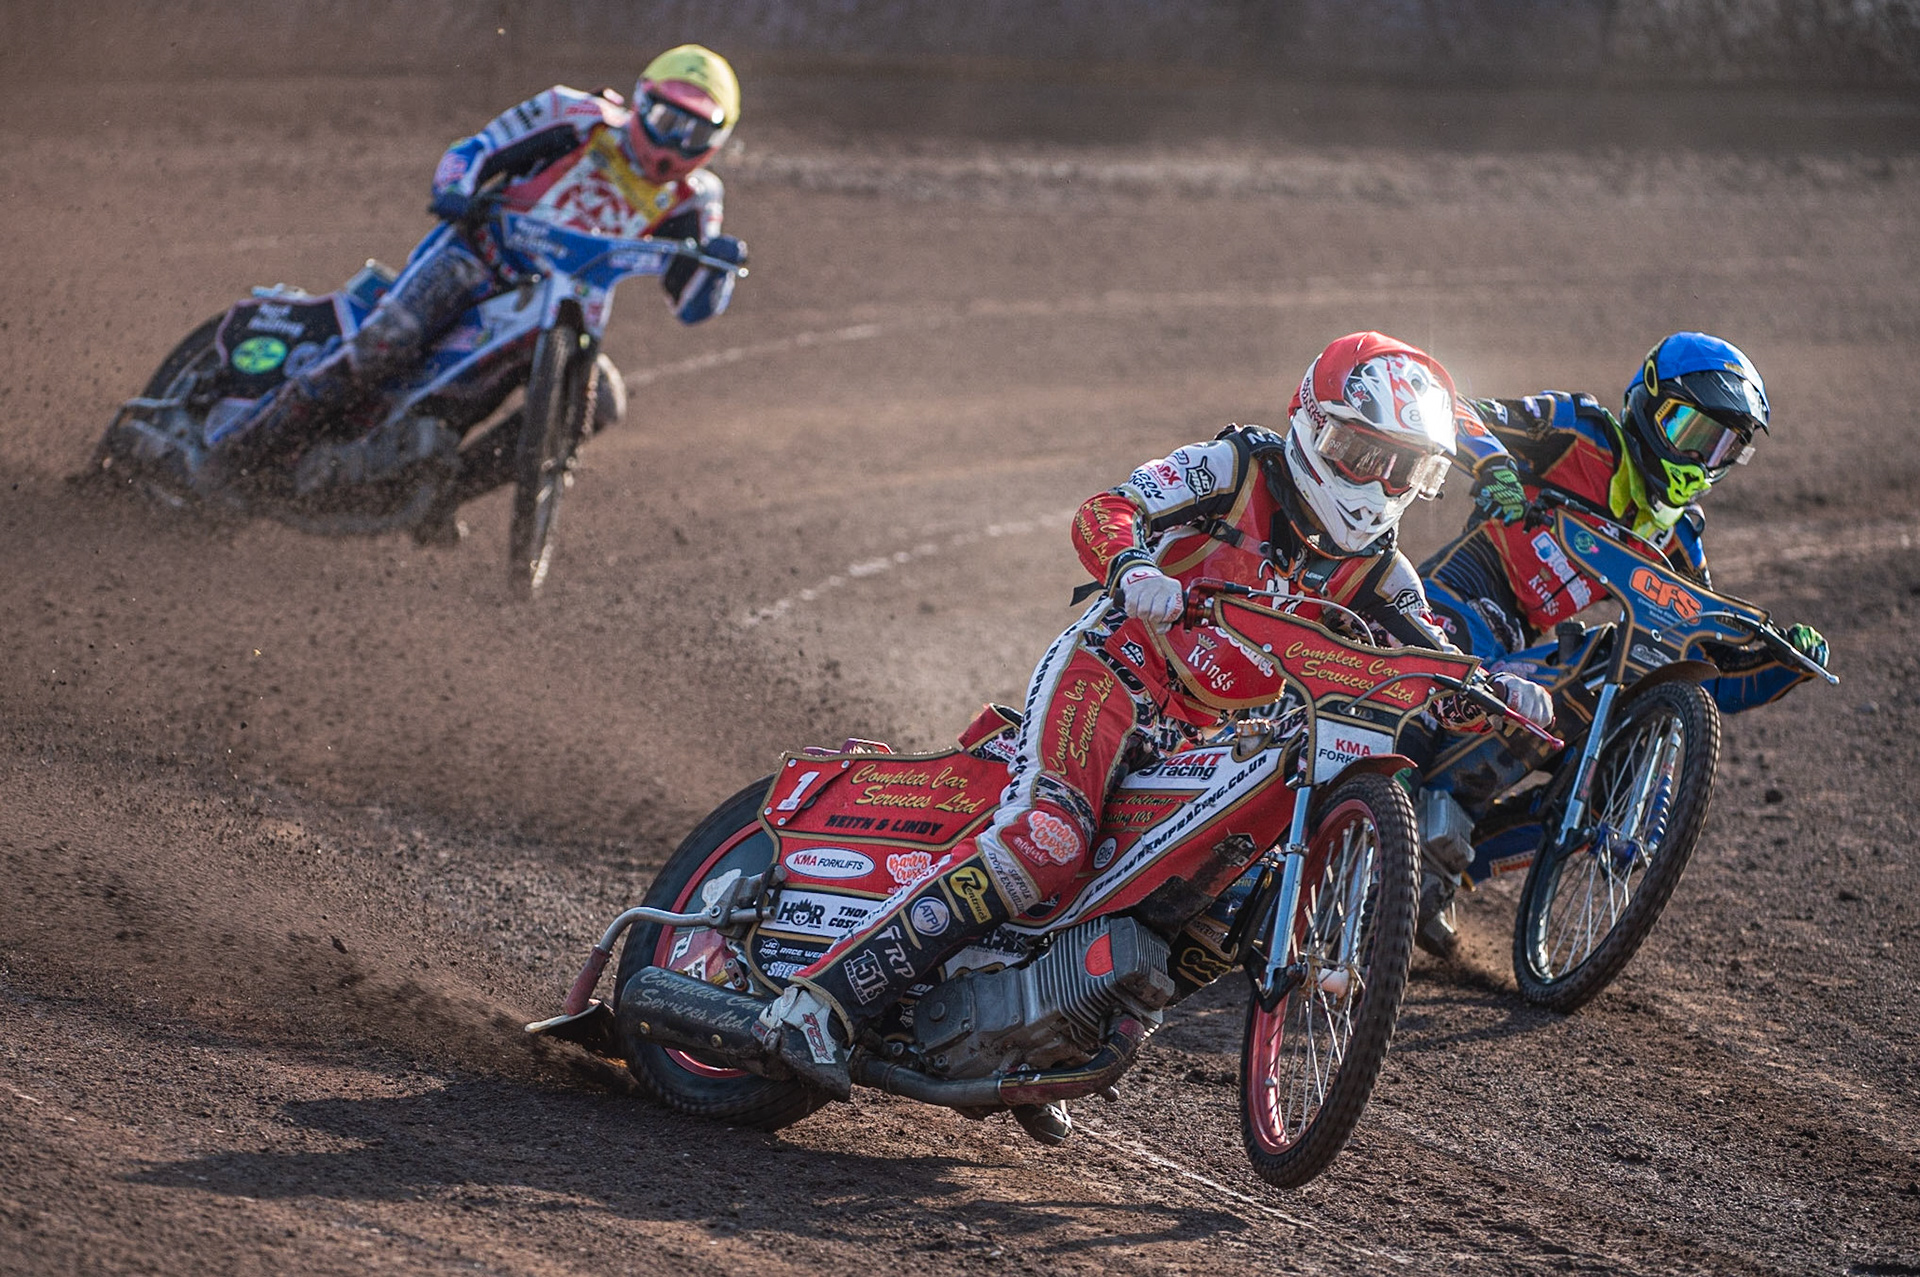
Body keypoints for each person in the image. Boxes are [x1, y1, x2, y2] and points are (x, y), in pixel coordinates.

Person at [745, 332, 1555, 1118]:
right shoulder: (1236, 466)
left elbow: (1436, 660)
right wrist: (1134, 568)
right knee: (1048, 839)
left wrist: (1497, 693)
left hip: (1209, 740)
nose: (1378, 485)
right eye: (1363, 455)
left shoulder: (1384, 570)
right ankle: (820, 1000)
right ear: (1313, 424)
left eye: (1404, 470)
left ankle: (1041, 1032)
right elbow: (1109, 509)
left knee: (1216, 907)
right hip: (1113, 675)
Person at [1411, 332, 1829, 953]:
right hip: (1456, 598)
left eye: (1719, 447)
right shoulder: (1579, 429)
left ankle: (1440, 865)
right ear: (1648, 403)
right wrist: (1495, 464)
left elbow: (1700, 666)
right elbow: (1450, 406)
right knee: (1431, 704)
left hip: (1527, 640)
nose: (1699, 458)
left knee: (1612, 761)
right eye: (1690, 431)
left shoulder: (1679, 538)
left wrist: (1780, 664)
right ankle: (1374, 817)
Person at [201, 44, 747, 509]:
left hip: (564, 309)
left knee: (600, 401)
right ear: (641, 100)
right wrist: (457, 190)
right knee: (386, 342)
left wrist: (717, 267)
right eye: (668, 120)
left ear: (717, 141)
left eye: (696, 131)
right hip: (477, 259)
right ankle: (245, 451)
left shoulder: (696, 199)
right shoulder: (576, 115)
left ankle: (442, 496)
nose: (675, 142)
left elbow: (692, 305)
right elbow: (476, 150)